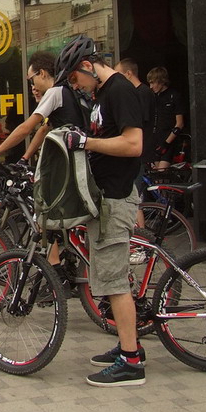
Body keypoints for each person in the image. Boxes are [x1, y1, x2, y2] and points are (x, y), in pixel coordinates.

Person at [54, 35, 145, 387]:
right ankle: (128, 345)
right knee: (110, 279)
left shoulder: (119, 90)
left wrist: (86, 142)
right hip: (105, 196)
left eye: (74, 78)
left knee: (114, 283)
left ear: (88, 66)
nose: (74, 86)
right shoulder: (103, 94)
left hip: (115, 198)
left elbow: (133, 144)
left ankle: (131, 363)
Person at [0, 50, 90, 278]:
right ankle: (62, 267)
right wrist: (24, 158)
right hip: (74, 165)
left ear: (42, 73)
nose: (31, 86)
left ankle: (56, 274)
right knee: (52, 219)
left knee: (44, 216)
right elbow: (44, 129)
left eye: (31, 79)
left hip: (63, 168)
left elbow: (26, 128)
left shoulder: (55, 91)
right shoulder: (66, 92)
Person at [115, 58, 156, 226]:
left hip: (140, 151)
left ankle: (141, 234)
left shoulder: (142, 93)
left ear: (128, 73)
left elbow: (140, 121)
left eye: (119, 74)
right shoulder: (137, 92)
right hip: (139, 149)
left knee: (135, 195)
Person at [147, 66, 186, 170]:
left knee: (162, 171)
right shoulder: (153, 98)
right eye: (150, 83)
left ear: (161, 81)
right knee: (155, 174)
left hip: (169, 140)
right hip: (155, 139)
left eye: (153, 83)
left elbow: (180, 124)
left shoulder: (174, 96)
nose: (151, 86)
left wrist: (166, 143)